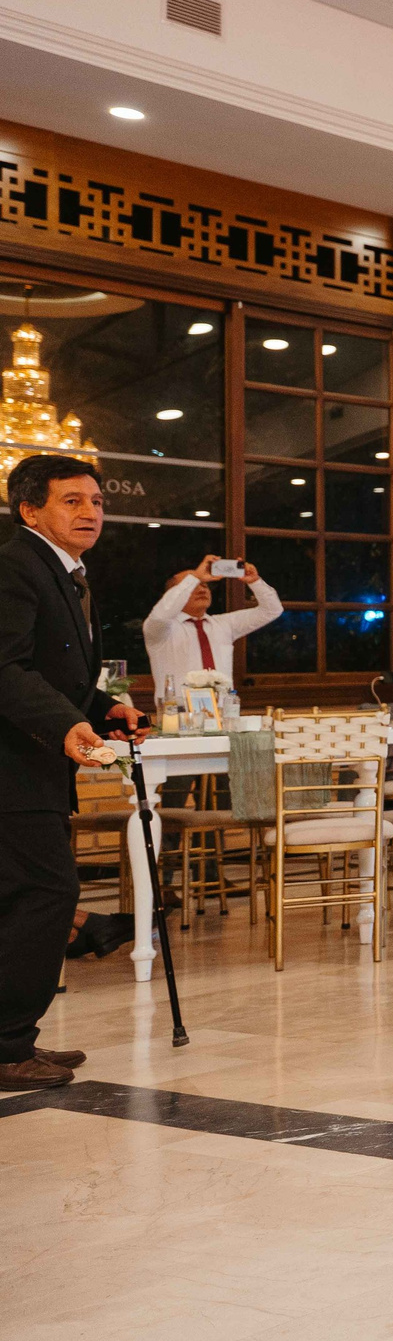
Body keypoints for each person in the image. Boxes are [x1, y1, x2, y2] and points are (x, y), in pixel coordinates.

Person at [0, 454, 142, 1091]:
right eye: (72, 501)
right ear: (31, 510)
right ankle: (7, 1046)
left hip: (33, 767)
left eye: (97, 502)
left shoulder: (64, 572)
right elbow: (6, 668)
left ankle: (12, 1039)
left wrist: (102, 709)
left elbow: (55, 671)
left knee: (23, 899)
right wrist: (64, 724)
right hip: (11, 769)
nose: (91, 512)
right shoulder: (14, 566)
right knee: (48, 894)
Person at [142, 555, 281, 702]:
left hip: (223, 712)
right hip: (178, 713)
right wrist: (195, 577)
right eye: (192, 585)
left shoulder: (224, 624)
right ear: (172, 595)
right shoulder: (161, 630)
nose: (201, 589)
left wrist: (255, 582)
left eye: (204, 584)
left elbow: (272, 610)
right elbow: (161, 615)